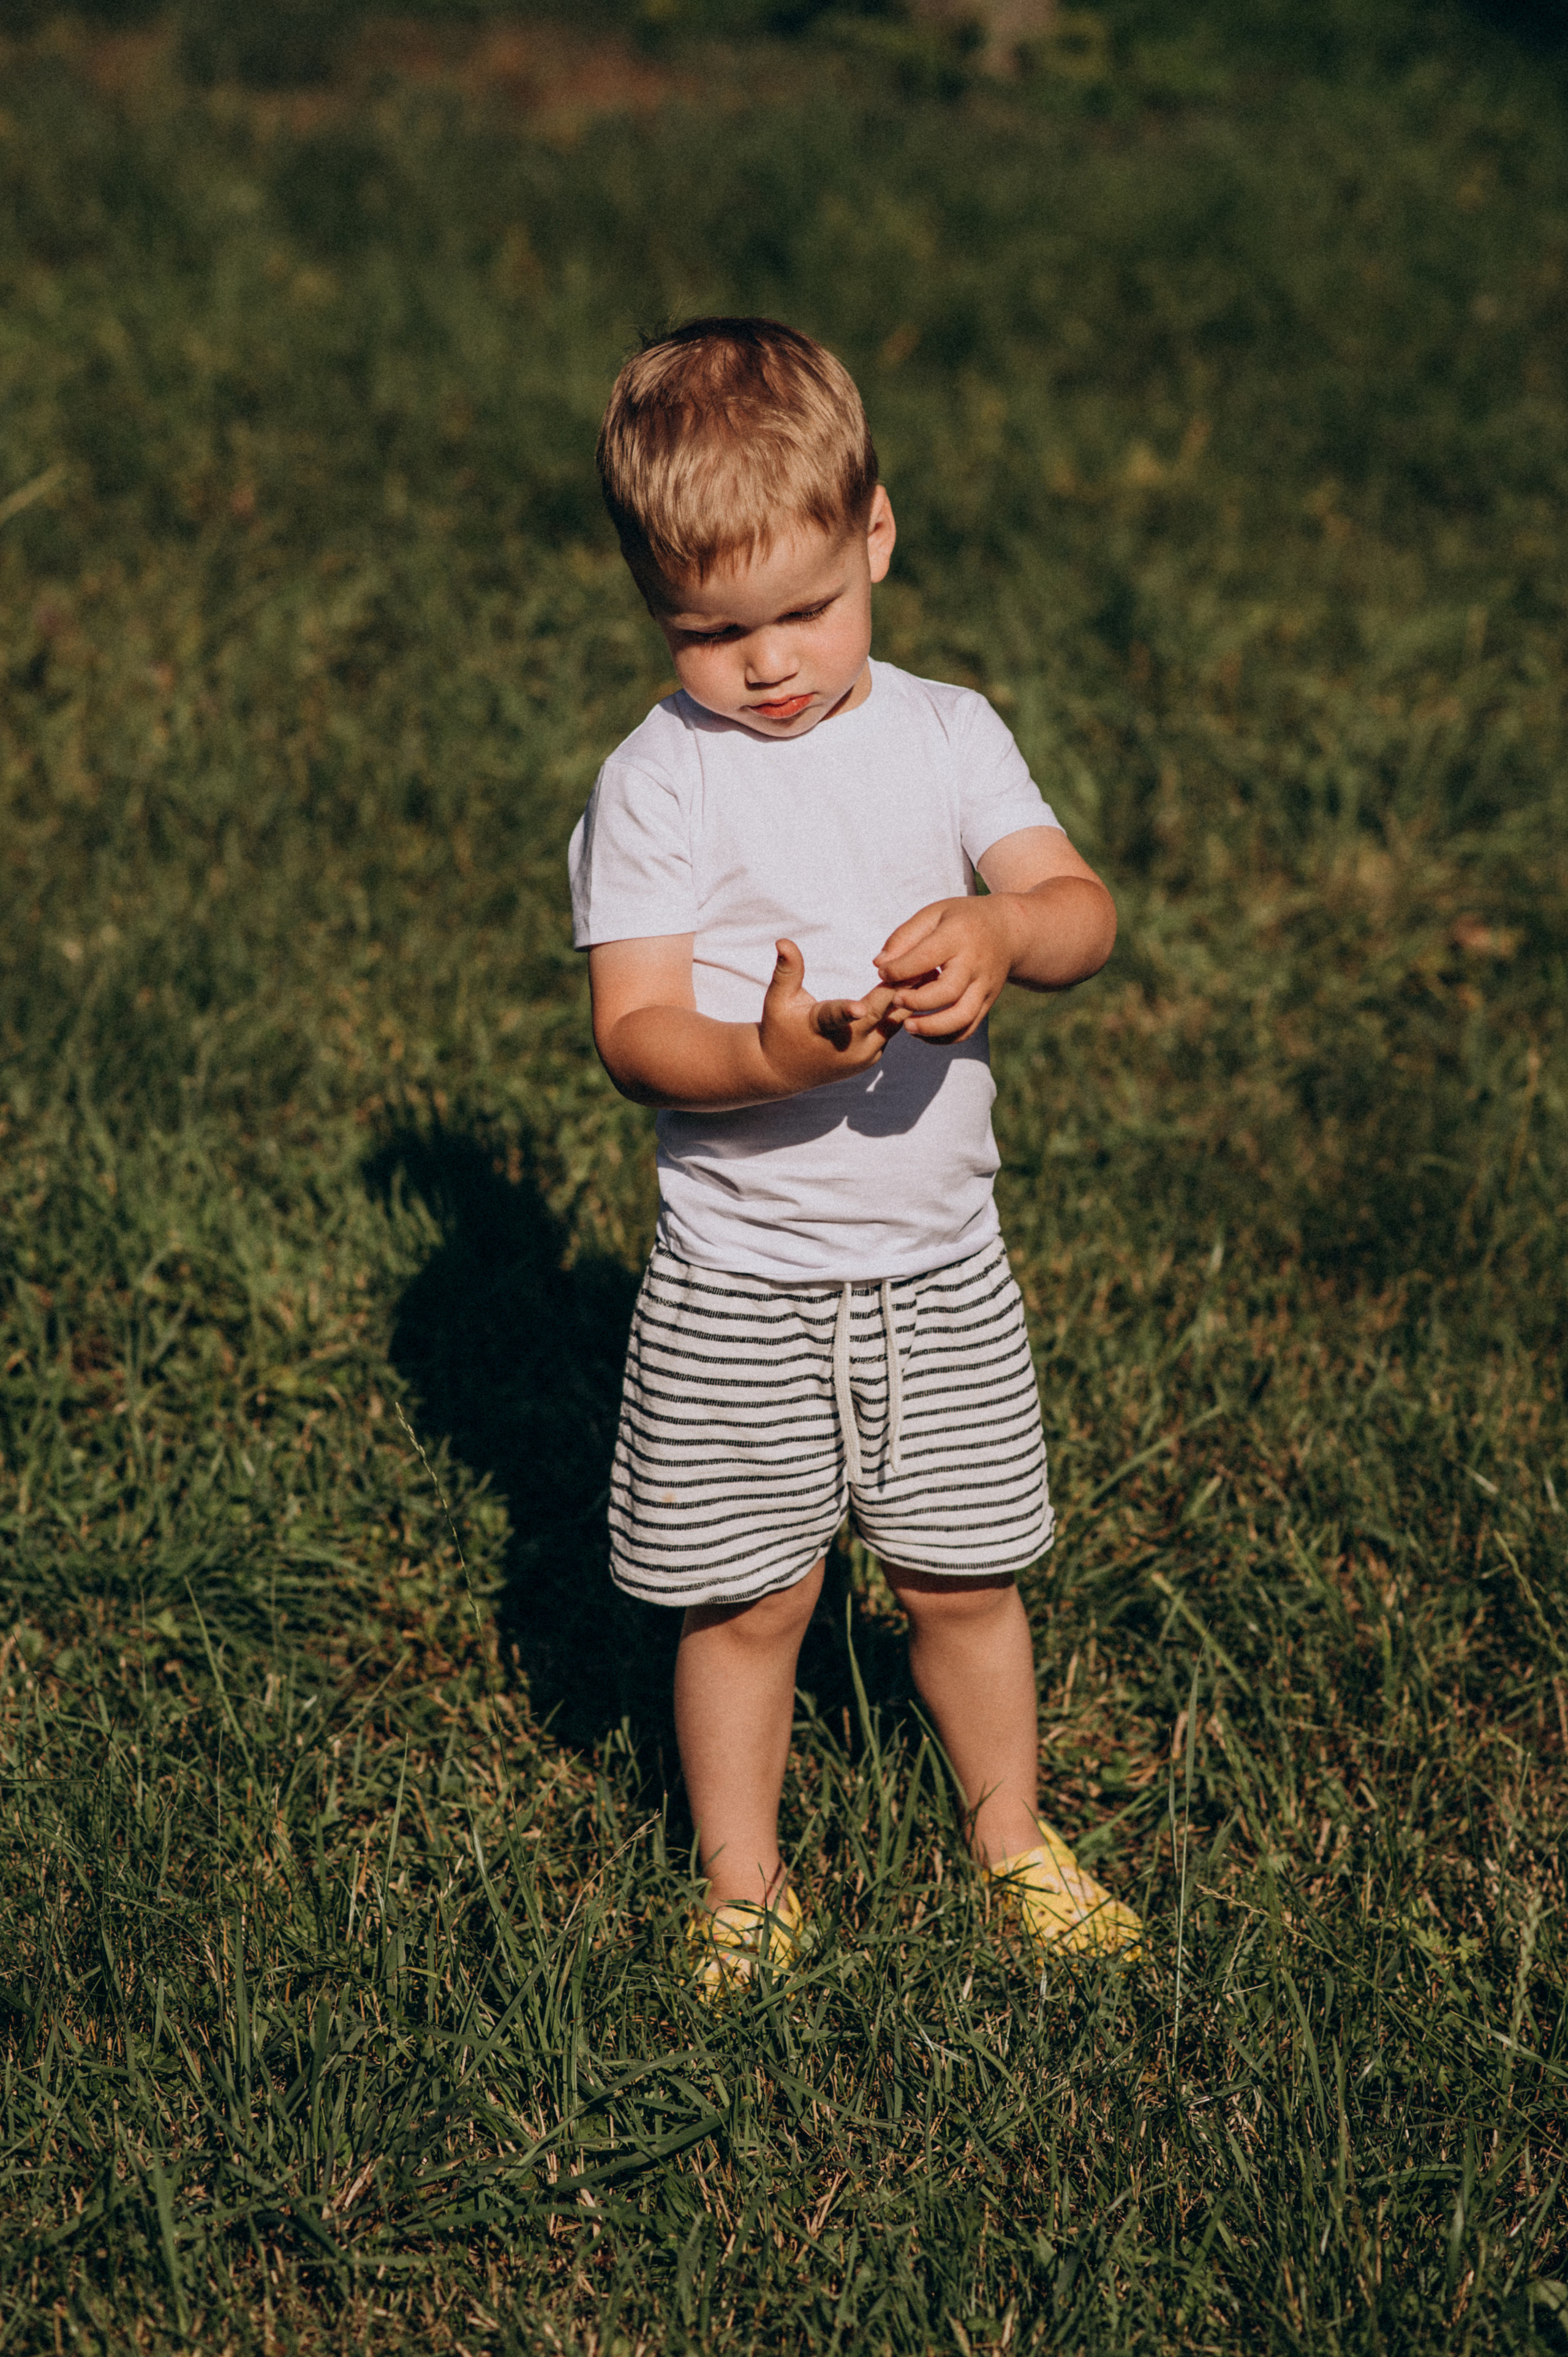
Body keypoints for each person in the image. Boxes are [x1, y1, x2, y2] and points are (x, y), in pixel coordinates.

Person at [569, 316, 1142, 1995]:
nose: (769, 663)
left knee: (966, 1580)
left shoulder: (948, 734)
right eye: (713, 631)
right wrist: (758, 1058)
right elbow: (635, 1033)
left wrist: (998, 930)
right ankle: (743, 1887)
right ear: (656, 611)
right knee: (747, 1603)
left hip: (939, 1266)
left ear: (875, 534)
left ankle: (1012, 1838)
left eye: (806, 611)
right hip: (743, 1277)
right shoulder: (656, 785)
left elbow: (1082, 910)